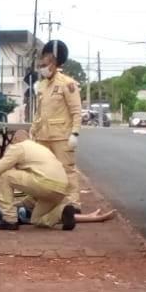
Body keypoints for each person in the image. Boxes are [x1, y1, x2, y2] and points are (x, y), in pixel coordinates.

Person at [0, 132, 85, 230]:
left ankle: (9, 220)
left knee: (5, 176)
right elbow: (34, 186)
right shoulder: (38, 148)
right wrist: (19, 203)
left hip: (45, 183)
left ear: (14, 140)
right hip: (61, 188)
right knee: (36, 219)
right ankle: (62, 212)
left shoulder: (18, 147)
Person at [32, 39, 83, 205]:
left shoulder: (67, 84)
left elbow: (76, 111)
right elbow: (39, 111)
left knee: (67, 169)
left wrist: (75, 133)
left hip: (61, 136)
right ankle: (46, 201)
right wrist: (33, 129)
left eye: (46, 57)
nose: (43, 61)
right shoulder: (41, 85)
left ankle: (72, 203)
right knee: (43, 170)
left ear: (54, 60)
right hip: (42, 136)